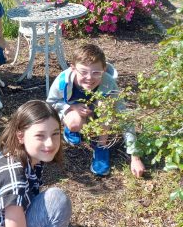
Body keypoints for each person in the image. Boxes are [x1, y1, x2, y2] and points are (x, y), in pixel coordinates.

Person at [46, 43, 145, 177]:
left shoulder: (109, 83)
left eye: (96, 73)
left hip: (96, 113)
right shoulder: (63, 81)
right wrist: (71, 107)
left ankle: (101, 146)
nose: (89, 78)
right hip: (74, 111)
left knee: (105, 105)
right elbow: (51, 103)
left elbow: (124, 115)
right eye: (83, 72)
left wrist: (135, 157)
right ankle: (72, 130)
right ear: (73, 68)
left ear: (104, 69)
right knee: (75, 123)